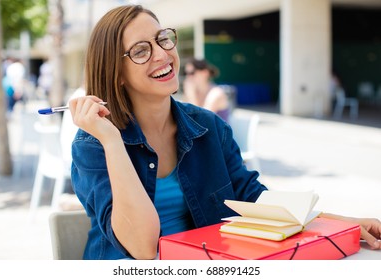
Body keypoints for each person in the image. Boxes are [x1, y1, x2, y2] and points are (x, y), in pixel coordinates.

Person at [68, 5, 381, 260]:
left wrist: (341, 223)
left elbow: (254, 198)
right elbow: (142, 248)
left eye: (163, 39)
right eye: (140, 51)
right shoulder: (93, 143)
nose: (163, 55)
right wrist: (111, 140)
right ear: (116, 73)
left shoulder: (209, 127)